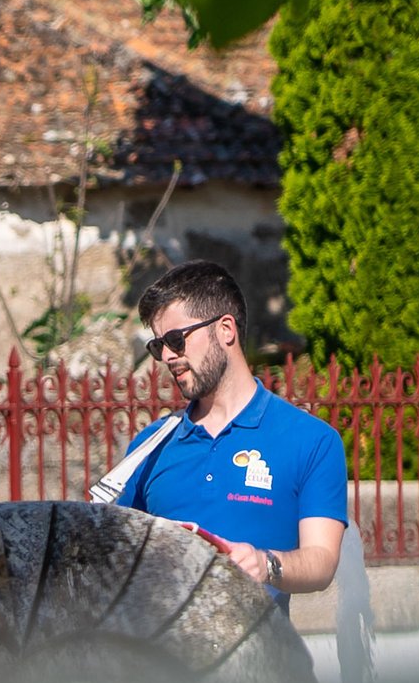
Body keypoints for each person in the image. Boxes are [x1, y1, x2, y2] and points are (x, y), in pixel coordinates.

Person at [116, 260, 347, 614]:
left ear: (225, 329)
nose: (167, 357)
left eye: (176, 340)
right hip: (160, 648)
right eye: (158, 346)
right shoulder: (147, 448)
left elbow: (322, 561)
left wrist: (265, 564)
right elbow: (117, 557)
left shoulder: (312, 440)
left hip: (261, 647)